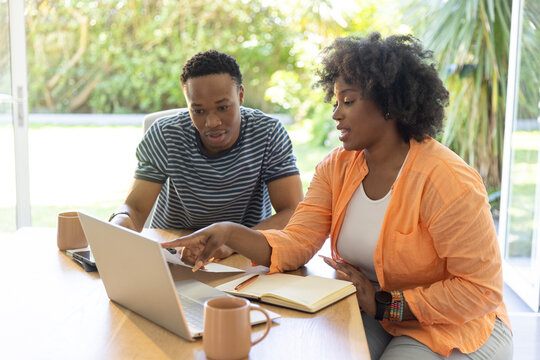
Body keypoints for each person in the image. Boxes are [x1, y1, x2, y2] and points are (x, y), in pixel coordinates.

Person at [161, 33, 513, 359]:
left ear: (389, 105)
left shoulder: (446, 180)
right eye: (336, 101)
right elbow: (298, 241)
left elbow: (480, 291)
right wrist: (229, 232)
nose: (335, 114)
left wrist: (385, 304)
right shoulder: (337, 167)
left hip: (454, 324)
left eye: (348, 101)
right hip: (369, 308)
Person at [110, 50, 303, 260]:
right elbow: (135, 209)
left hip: (242, 256)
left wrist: (232, 243)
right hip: (173, 254)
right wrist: (119, 221)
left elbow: (291, 210)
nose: (212, 122)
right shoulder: (166, 135)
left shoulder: (268, 133)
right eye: (198, 111)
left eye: (223, 107)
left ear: (240, 96)